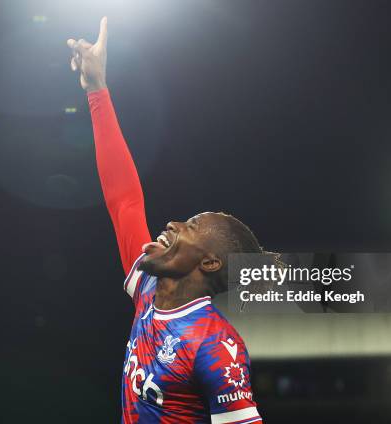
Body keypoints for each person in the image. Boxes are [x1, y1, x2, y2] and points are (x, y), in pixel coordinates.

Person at [68, 17, 264, 423]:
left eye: (191, 226)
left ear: (209, 262)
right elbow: (124, 202)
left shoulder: (214, 344)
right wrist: (97, 90)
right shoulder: (148, 288)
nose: (174, 223)